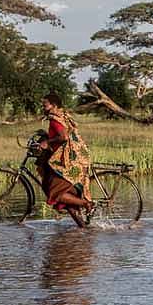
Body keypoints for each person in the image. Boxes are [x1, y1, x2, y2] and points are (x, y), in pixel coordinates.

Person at [37, 93, 93, 227]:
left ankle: (86, 204)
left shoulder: (55, 120)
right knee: (67, 199)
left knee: (55, 193)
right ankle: (83, 228)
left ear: (54, 106)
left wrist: (47, 142)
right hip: (77, 155)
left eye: (45, 105)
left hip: (70, 160)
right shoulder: (63, 116)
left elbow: (63, 137)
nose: (43, 108)